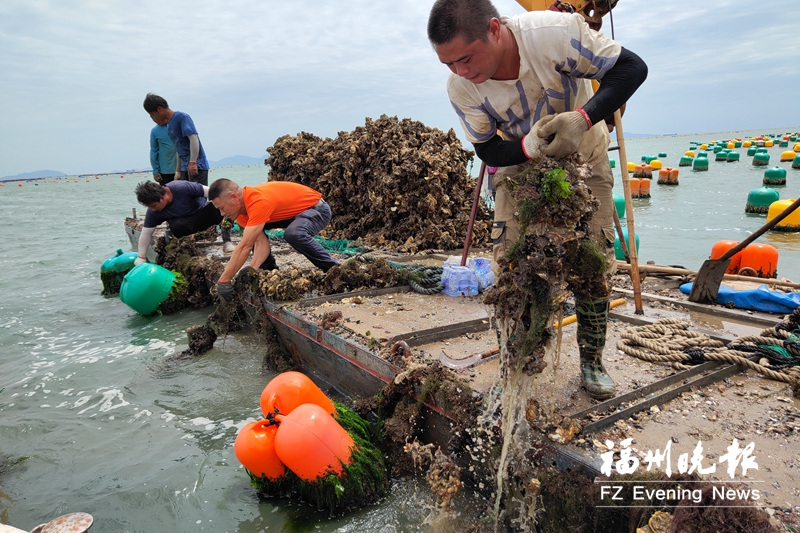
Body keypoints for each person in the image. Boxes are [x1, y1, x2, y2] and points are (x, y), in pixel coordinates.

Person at [427, 0, 647, 399]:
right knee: (511, 266)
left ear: (494, 29)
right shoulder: (461, 87)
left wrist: (582, 118)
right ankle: (518, 357)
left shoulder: (554, 34)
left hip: (586, 151)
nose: (460, 72)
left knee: (594, 261)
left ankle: (592, 360)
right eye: (448, 64)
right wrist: (528, 147)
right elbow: (488, 151)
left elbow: (632, 68)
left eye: (465, 58)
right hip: (520, 163)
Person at [208, 179, 341, 300]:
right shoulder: (241, 212)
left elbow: (244, 247)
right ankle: (270, 272)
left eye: (222, 208)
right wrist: (252, 268)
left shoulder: (258, 201)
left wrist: (224, 280)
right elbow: (259, 242)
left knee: (294, 234)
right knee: (252, 234)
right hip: (290, 215)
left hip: (316, 209)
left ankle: (334, 269)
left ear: (234, 197)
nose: (222, 214)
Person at [134, 180, 234, 266]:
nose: (153, 210)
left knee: (223, 205)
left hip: (203, 214)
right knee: (177, 226)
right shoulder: (153, 212)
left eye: (154, 206)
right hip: (186, 225)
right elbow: (146, 234)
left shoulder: (182, 188)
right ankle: (190, 245)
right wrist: (141, 257)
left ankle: (227, 241)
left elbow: (213, 193)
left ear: (162, 198)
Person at [142, 93, 210, 186]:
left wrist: (193, 162)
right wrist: (178, 170)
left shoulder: (182, 117)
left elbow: (194, 139)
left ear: (159, 109)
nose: (153, 118)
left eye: (153, 115)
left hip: (197, 166)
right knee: (187, 198)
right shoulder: (169, 125)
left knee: (199, 198)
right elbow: (179, 149)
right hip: (184, 168)